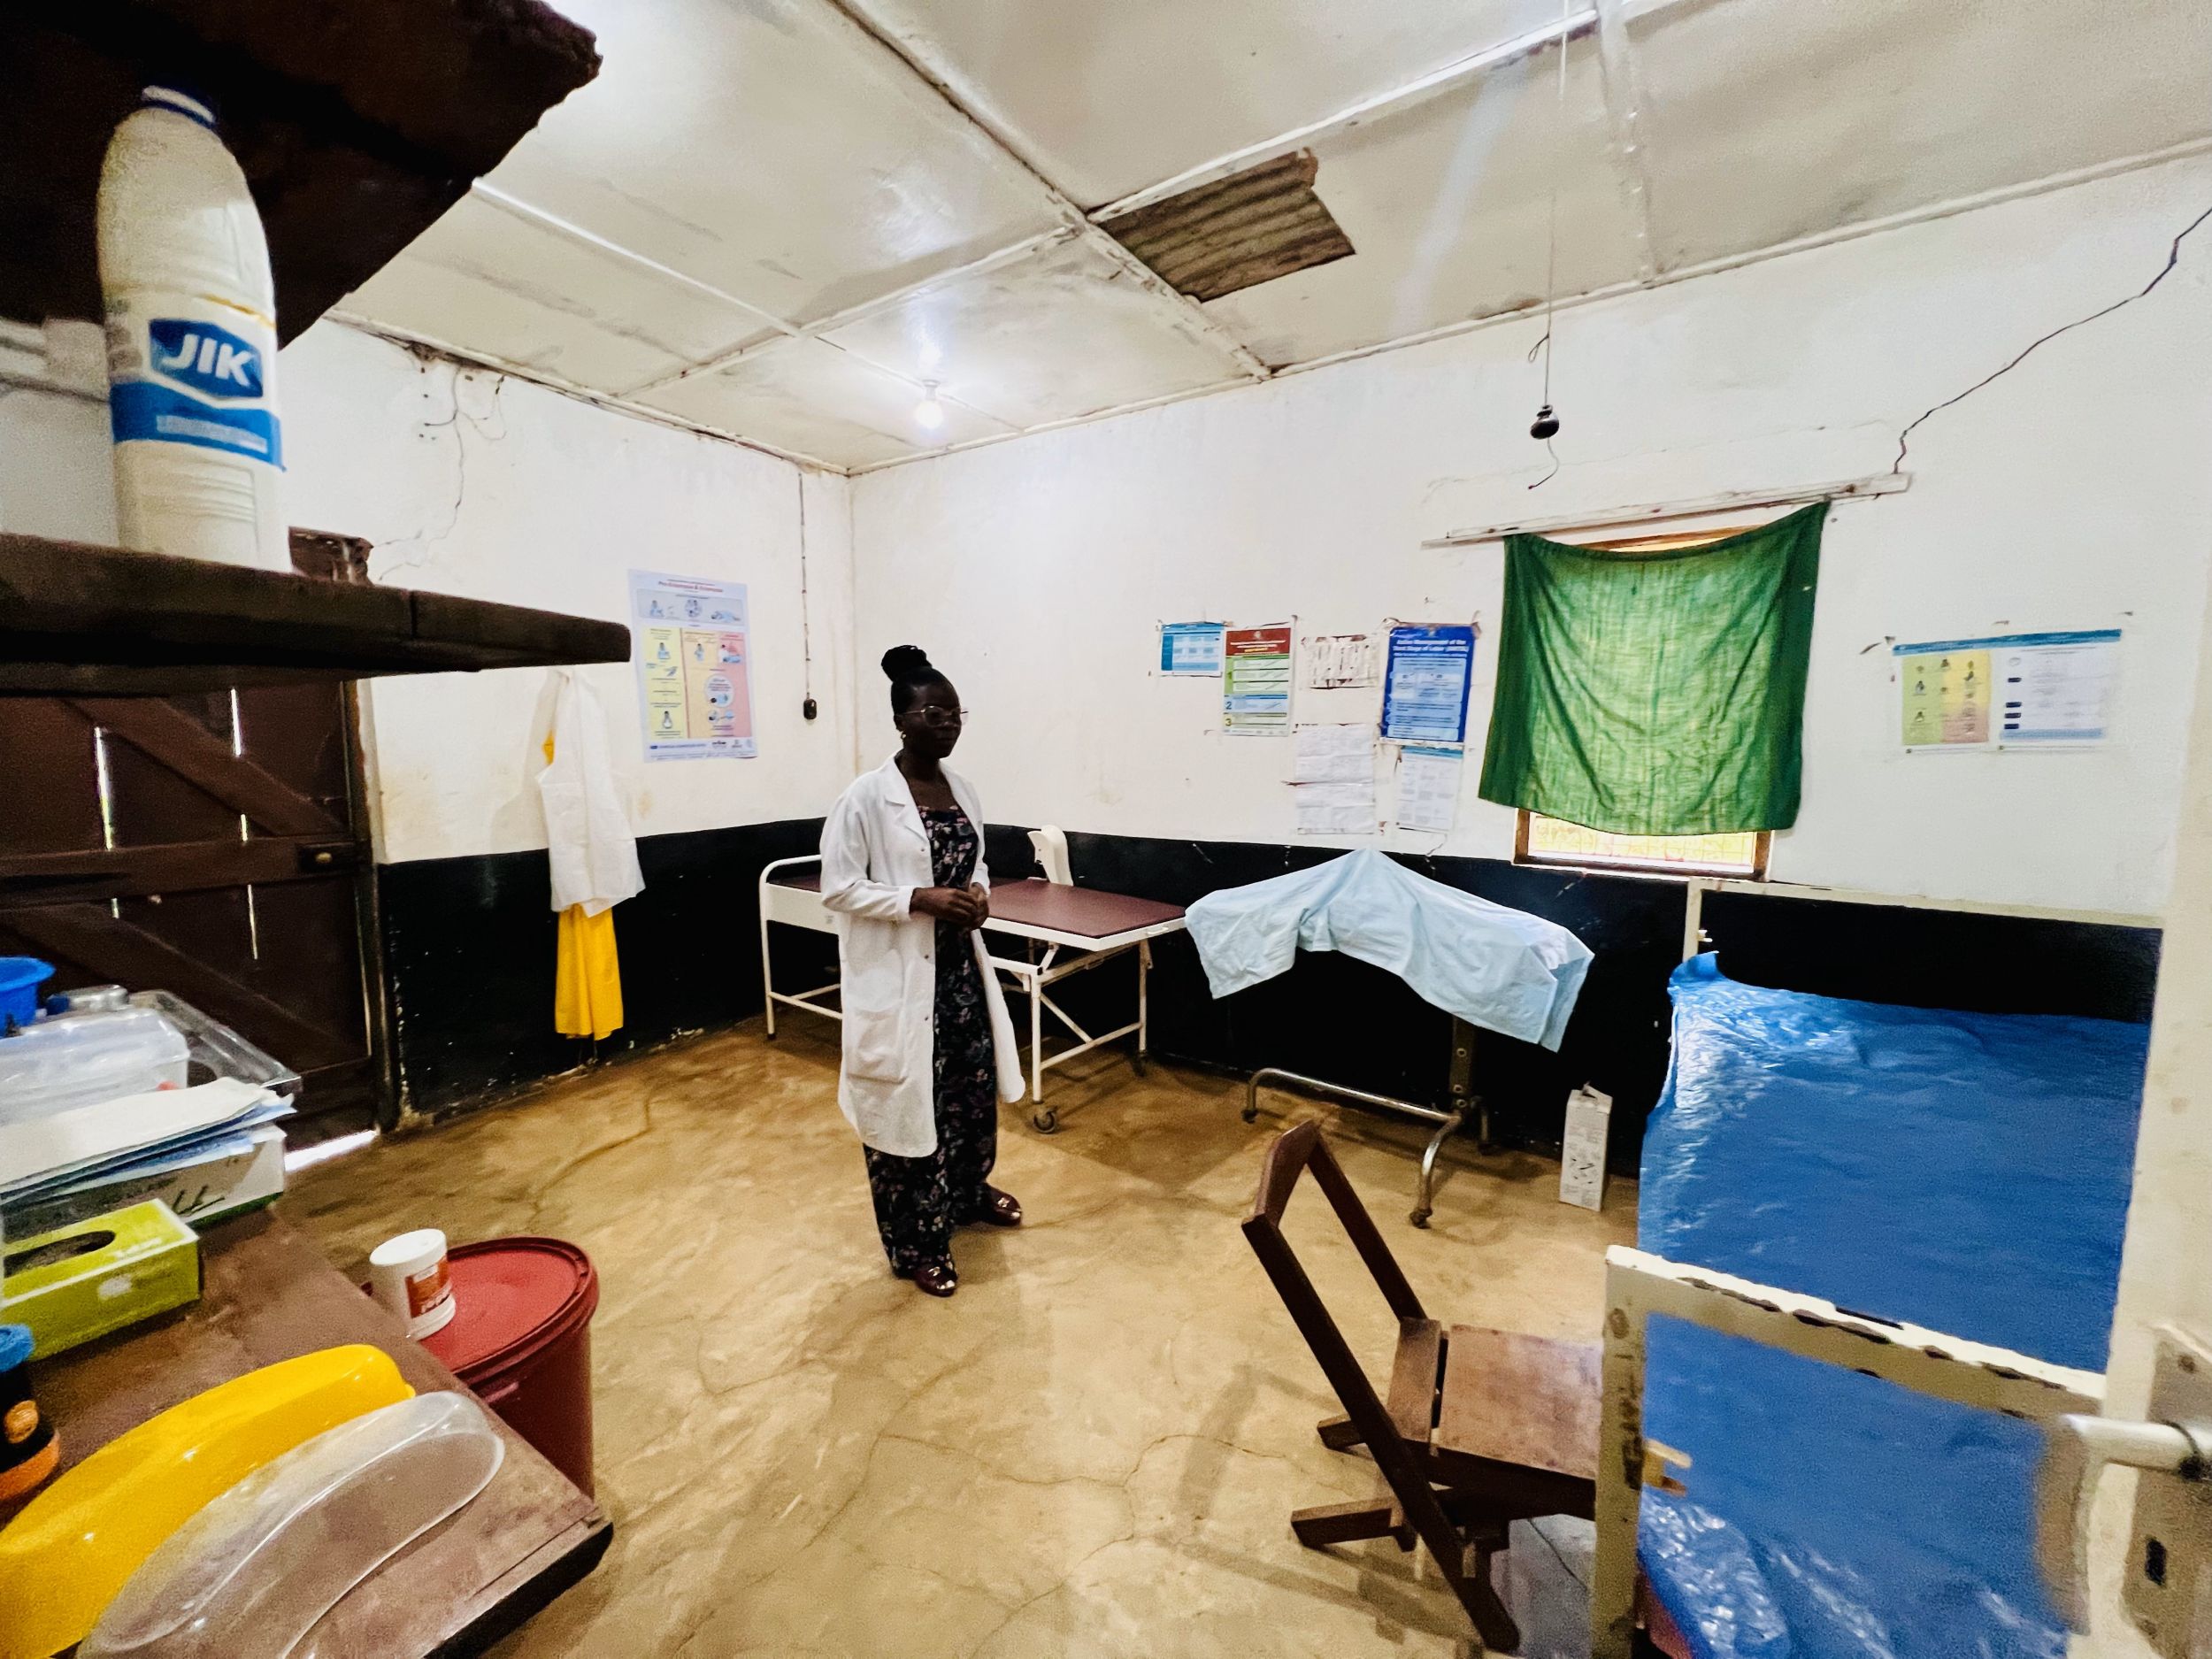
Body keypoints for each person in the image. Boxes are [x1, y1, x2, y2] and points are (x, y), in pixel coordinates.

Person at [819, 646, 1026, 1297]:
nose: (947, 723)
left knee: (968, 1093)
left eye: (955, 712)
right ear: (900, 721)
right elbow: (838, 887)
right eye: (932, 713)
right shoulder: (864, 797)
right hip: (900, 979)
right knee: (906, 1111)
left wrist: (978, 892)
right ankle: (916, 1243)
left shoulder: (962, 790)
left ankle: (967, 1194)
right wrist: (918, 899)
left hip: (959, 975)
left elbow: (977, 861)